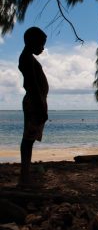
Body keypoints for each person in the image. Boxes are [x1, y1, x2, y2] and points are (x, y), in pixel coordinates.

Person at [18, 27, 49, 186]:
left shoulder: (28, 58)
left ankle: (25, 175)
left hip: (36, 100)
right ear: (32, 42)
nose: (43, 48)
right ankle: (24, 178)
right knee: (28, 139)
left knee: (29, 139)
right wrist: (41, 107)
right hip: (34, 101)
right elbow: (32, 85)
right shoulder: (26, 59)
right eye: (41, 44)